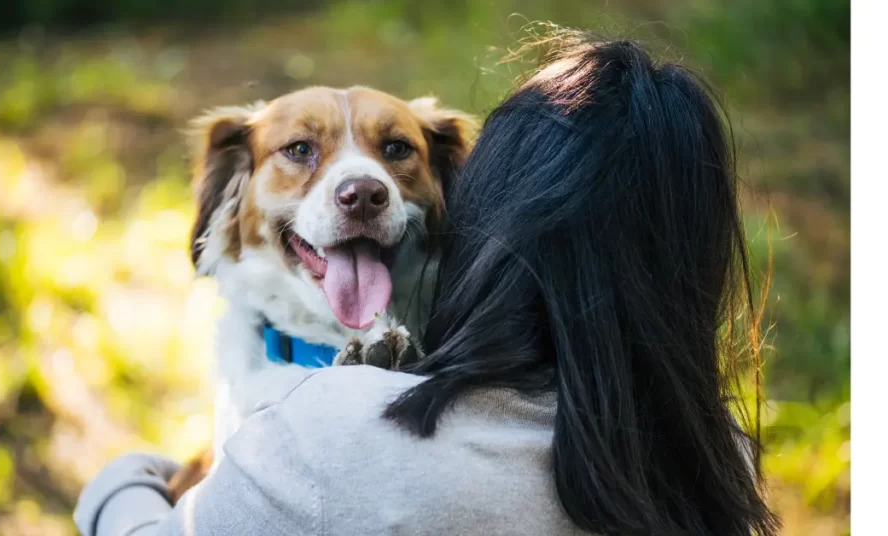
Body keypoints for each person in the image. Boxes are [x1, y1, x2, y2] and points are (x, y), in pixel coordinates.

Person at [74, 35, 779, 536]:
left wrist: (122, 481)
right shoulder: (720, 455)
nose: (360, 185)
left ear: (477, 204)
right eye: (300, 152)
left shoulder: (337, 441)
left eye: (394, 151)